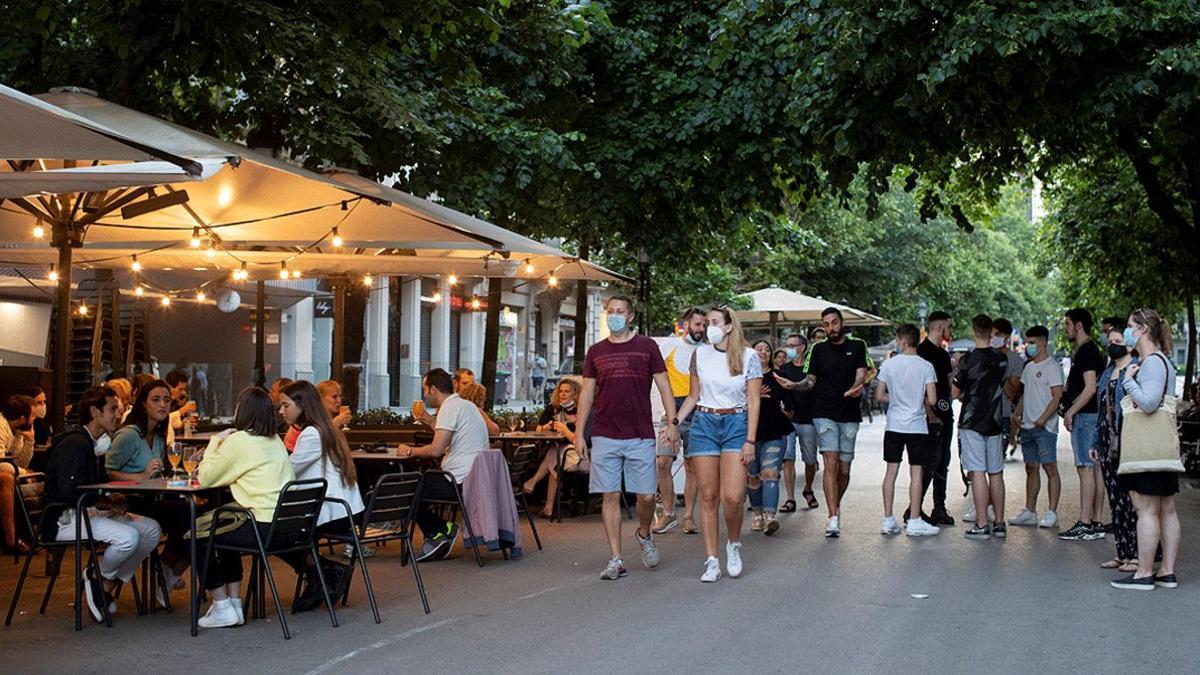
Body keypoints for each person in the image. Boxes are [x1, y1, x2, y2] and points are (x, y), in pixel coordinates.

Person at [574, 295, 679, 580]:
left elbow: (664, 384)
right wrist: (579, 433)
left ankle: (644, 533)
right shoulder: (596, 352)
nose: (614, 316)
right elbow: (586, 393)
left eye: (620, 312)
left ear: (630, 316)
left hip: (640, 433)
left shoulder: (647, 347)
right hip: (605, 432)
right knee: (609, 495)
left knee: (645, 496)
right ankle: (616, 558)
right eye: (610, 311)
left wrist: (673, 421)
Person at [43, 386, 162, 622]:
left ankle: (102, 581)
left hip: (86, 511)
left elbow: (91, 485)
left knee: (151, 530)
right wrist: (104, 502)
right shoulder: (76, 444)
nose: (119, 414)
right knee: (128, 538)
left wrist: (108, 499)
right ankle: (96, 575)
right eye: (113, 409)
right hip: (63, 518)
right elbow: (69, 492)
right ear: (95, 412)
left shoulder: (94, 443)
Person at [194, 387, 299, 628]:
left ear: (243, 411)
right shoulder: (274, 441)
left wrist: (215, 442)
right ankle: (234, 605)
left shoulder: (238, 441)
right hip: (286, 526)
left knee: (197, 535)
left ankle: (221, 605)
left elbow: (207, 478)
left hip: (262, 527)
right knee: (224, 527)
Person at [675, 306, 760, 581]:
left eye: (713, 322)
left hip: (736, 424)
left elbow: (754, 400)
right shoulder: (700, 354)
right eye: (706, 322)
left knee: (733, 497)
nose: (707, 327)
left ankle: (733, 544)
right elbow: (693, 395)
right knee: (708, 495)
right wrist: (674, 422)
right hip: (704, 424)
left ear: (728, 327)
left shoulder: (749, 356)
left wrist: (750, 439)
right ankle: (712, 560)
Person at [1111, 309, 1181, 590]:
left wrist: (1128, 380)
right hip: (1163, 447)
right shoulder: (1164, 361)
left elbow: (1150, 402)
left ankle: (1143, 573)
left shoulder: (1149, 363)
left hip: (1147, 449)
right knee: (1166, 510)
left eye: (1129, 326)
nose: (1127, 332)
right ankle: (1167, 571)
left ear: (1141, 329)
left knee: (1147, 510)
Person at [278, 380, 362, 606]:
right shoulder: (324, 429)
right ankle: (320, 576)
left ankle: (325, 571)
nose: (281, 411)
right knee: (287, 533)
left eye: (286, 406)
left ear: (302, 404)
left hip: (333, 511)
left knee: (276, 535)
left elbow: (287, 473)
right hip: (346, 509)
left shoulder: (311, 434)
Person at [396, 369, 492, 561]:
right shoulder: (466, 406)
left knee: (406, 490)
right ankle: (440, 531)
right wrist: (429, 420)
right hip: (475, 478)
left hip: (456, 481)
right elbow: (451, 436)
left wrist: (410, 450)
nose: (423, 395)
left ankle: (439, 531)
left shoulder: (449, 408)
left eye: (424, 389)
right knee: (422, 483)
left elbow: (436, 450)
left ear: (433, 389)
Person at [794, 308, 870, 538]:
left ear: (841, 322)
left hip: (848, 412)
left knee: (844, 469)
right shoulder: (817, 349)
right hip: (823, 411)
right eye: (826, 324)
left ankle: (835, 504)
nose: (830, 328)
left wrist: (856, 387)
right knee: (831, 463)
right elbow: (810, 380)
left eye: (834, 323)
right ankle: (832, 516)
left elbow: (861, 373)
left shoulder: (858, 345)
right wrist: (794, 385)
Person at [875, 324, 941, 537]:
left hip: (894, 425)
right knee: (917, 473)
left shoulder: (889, 365)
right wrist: (916, 400)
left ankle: (888, 519)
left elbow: (879, 395)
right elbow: (932, 399)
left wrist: (896, 399)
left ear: (902, 341)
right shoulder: (926, 366)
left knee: (891, 472)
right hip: (917, 427)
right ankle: (914, 520)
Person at [953, 315, 1010, 540]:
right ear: (990, 332)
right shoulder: (1001, 359)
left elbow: (955, 393)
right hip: (994, 420)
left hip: (972, 420)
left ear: (974, 331)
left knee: (977, 471)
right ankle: (1000, 522)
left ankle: (981, 524)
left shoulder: (967, 360)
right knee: (995, 471)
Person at [652, 307, 705, 535]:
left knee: (691, 466)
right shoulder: (669, 346)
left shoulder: (707, 350)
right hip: (672, 412)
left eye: (704, 325)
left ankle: (689, 515)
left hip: (698, 413)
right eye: (697, 325)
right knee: (662, 462)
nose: (701, 329)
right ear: (686, 324)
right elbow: (656, 376)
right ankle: (668, 512)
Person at [1058, 308, 1108, 542]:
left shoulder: (1087, 351)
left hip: (1086, 416)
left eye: (1068, 323)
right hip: (1091, 415)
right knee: (1093, 468)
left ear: (1078, 325)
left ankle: (1085, 522)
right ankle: (1094, 521)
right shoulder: (1089, 350)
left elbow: (1090, 387)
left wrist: (1071, 411)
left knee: (1085, 468)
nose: (1065, 327)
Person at [1093, 324, 1140, 573]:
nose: (1111, 343)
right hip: (1107, 442)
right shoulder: (1107, 373)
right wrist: (1094, 443)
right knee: (1116, 500)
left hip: (1129, 440)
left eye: (1117, 339)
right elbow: (1101, 411)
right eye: (1109, 339)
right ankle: (1122, 553)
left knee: (1132, 500)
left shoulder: (1135, 370)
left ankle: (1137, 554)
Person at [1012, 325, 1063, 529]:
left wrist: (1043, 418)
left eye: (1032, 342)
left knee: (1049, 467)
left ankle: (1052, 511)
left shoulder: (1052, 367)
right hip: (1027, 426)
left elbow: (1057, 396)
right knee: (1030, 467)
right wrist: (1017, 412)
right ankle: (1030, 510)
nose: (1029, 346)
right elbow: (1026, 394)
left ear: (1043, 343)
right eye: (1027, 342)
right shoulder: (1029, 367)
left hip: (1045, 428)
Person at [914, 310, 956, 526]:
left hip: (945, 413)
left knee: (942, 463)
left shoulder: (942, 354)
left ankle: (939, 507)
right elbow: (919, 389)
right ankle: (915, 507)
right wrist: (930, 415)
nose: (951, 331)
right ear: (940, 329)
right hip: (930, 418)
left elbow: (948, 385)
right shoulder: (922, 352)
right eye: (949, 327)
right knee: (931, 462)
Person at [746, 339, 792, 536]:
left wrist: (787, 407)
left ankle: (770, 517)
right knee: (753, 477)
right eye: (759, 349)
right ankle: (756, 514)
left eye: (767, 350)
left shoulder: (778, 376)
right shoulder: (743, 377)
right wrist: (754, 397)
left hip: (775, 430)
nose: (763, 352)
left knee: (770, 473)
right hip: (750, 434)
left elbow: (790, 403)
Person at [522, 379, 582, 518]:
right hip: (558, 448)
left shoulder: (580, 410)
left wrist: (566, 426)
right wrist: (550, 424)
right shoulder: (553, 408)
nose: (563, 394)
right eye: (560, 391)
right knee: (555, 458)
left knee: (555, 454)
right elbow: (539, 430)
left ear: (575, 393)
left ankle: (532, 482)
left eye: (567, 391)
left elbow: (579, 437)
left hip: (575, 451)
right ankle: (548, 508)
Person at [775, 333, 819, 510]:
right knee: (788, 457)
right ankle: (790, 498)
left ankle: (808, 489)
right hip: (788, 420)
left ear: (803, 347)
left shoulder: (811, 369)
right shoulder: (784, 369)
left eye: (793, 345)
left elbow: (812, 388)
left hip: (808, 418)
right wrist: (784, 410)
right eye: (788, 345)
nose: (790, 348)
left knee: (810, 460)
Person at [1, 395, 36, 553]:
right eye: (32, 415)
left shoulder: (16, 431)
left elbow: (21, 463)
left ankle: (28, 534)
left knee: (19, 478)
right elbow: (1, 461)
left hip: (9, 469)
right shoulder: (1, 426)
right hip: (4, 472)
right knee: (8, 479)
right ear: (23, 418)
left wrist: (29, 441)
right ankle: (12, 538)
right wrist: (24, 473)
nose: (34, 418)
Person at [990, 318, 1024, 460]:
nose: (992, 338)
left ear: (1006, 336)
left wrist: (999, 372)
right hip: (981, 415)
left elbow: (1012, 392)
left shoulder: (1015, 360)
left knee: (997, 462)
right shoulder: (981, 355)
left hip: (1002, 415)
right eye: (991, 334)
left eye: (997, 334)